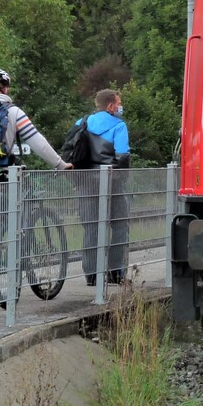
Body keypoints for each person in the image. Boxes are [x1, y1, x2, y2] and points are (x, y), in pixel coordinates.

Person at [0, 69, 72, 304]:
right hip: (0, 174)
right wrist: (60, 164)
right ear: (6, 88)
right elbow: (37, 141)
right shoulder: (12, 111)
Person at [74, 89, 131, 285]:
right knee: (120, 226)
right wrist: (122, 180)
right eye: (119, 103)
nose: (121, 107)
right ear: (111, 106)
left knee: (91, 228)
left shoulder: (81, 123)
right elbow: (122, 156)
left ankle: (92, 276)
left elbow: (72, 152)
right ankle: (116, 273)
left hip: (86, 183)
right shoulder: (119, 125)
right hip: (112, 183)